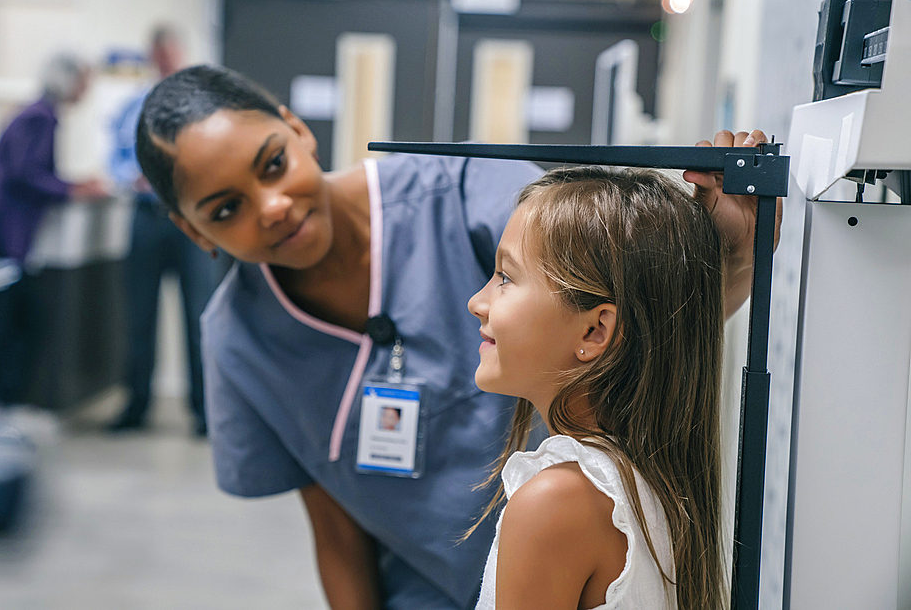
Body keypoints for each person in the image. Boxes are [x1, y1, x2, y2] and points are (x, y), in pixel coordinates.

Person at [134, 64, 769, 609]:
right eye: (224, 210)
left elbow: (633, 322)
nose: (269, 206)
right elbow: (334, 529)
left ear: (298, 130)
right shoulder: (238, 343)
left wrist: (734, 259)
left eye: (272, 163)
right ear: (192, 233)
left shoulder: (463, 189)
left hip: (579, 566)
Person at [468, 167, 725, 609]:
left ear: (594, 332)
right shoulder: (650, 477)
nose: (478, 302)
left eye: (506, 277)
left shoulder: (556, 503)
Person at [0, 52, 108, 405]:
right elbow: (25, 174)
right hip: (2, 234)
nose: (87, 89)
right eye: (84, 80)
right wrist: (73, 189)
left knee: (4, 319)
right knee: (6, 321)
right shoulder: (41, 118)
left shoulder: (37, 114)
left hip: (0, 233)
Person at [108, 26, 224, 435]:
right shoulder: (130, 108)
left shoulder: (204, 108)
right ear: (151, 57)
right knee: (139, 316)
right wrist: (131, 176)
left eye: (170, 54)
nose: (165, 61)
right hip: (145, 218)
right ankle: (135, 406)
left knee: (198, 315)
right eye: (158, 55)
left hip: (190, 221)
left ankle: (204, 413)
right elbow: (116, 160)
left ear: (181, 54)